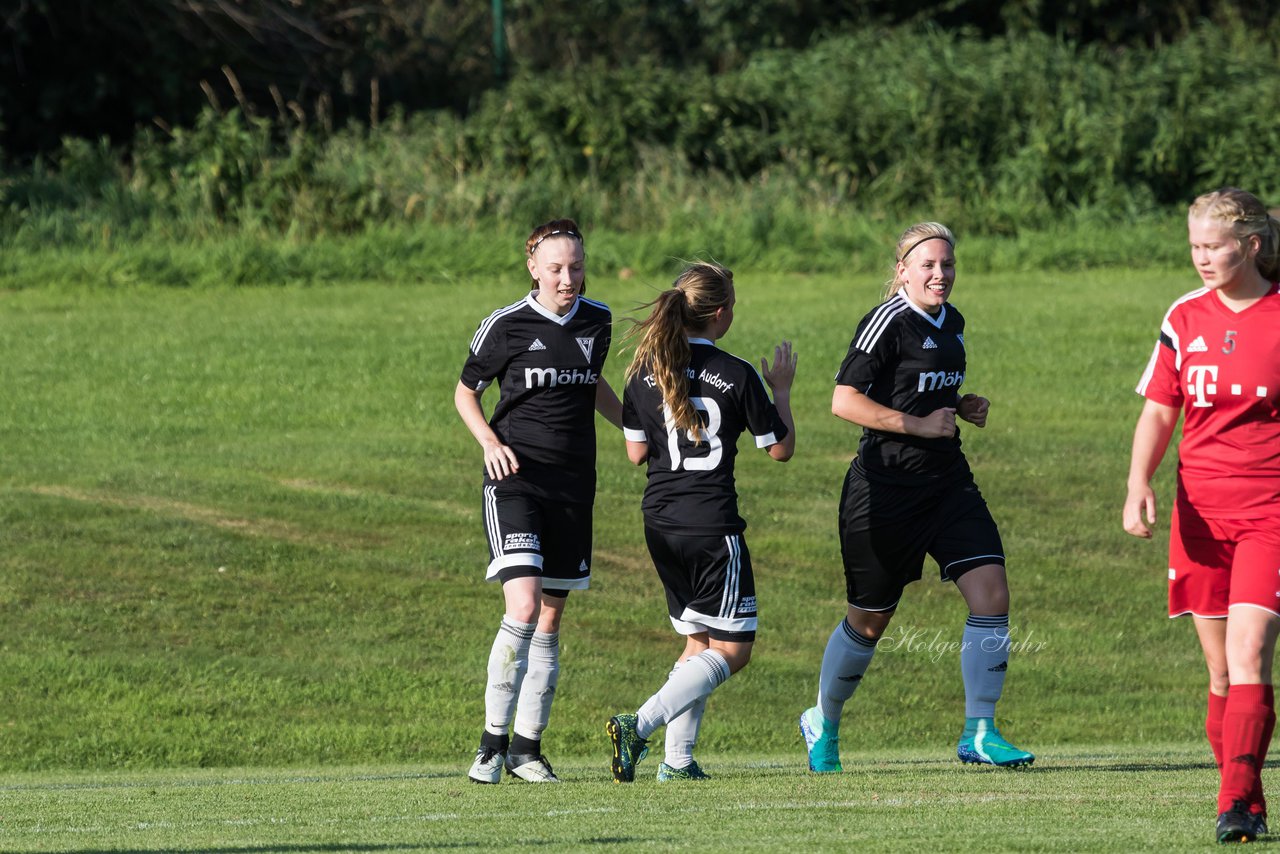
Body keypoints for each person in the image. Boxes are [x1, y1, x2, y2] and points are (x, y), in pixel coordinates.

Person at [800, 221, 1034, 773]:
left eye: (948, 265)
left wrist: (962, 406)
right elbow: (844, 401)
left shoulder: (952, 321)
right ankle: (824, 721)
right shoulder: (886, 322)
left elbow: (927, 392)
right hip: (884, 492)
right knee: (869, 621)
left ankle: (980, 731)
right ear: (902, 270)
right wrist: (918, 425)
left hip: (947, 484)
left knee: (991, 592)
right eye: (928, 265)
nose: (940, 274)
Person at [1123, 187, 1280, 844]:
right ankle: (1242, 796)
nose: (1202, 258)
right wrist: (1138, 483)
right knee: (1218, 672)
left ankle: (1234, 803)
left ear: (1250, 246)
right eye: (1194, 246)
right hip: (1198, 516)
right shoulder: (1185, 316)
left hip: (1269, 513)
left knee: (1249, 655)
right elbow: (1161, 408)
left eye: (1214, 245)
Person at [605, 262, 797, 782]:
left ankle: (678, 761)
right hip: (711, 525)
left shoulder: (645, 370)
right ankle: (637, 724)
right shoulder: (736, 373)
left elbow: (634, 452)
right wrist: (780, 390)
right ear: (719, 314)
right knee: (734, 649)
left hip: (660, 524)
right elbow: (779, 449)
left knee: (697, 643)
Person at [454, 218, 623, 784]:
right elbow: (465, 393)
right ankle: (489, 747)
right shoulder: (504, 326)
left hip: (574, 486)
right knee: (522, 606)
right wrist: (490, 442)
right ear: (533, 267)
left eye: (576, 266)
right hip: (516, 481)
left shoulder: (597, 320)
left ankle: (528, 750)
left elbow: (591, 380)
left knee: (550, 617)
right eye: (555, 268)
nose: (567, 277)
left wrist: (632, 425)